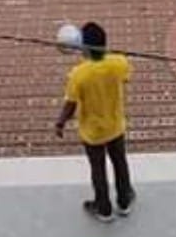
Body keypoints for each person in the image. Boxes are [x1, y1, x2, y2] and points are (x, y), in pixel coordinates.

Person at [55, 20, 134, 223]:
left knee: (98, 169)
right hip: (115, 126)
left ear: (84, 48)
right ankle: (124, 202)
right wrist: (114, 56)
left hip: (93, 133)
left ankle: (104, 208)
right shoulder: (119, 63)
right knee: (120, 163)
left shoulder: (78, 75)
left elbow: (70, 104)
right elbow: (125, 77)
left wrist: (60, 122)